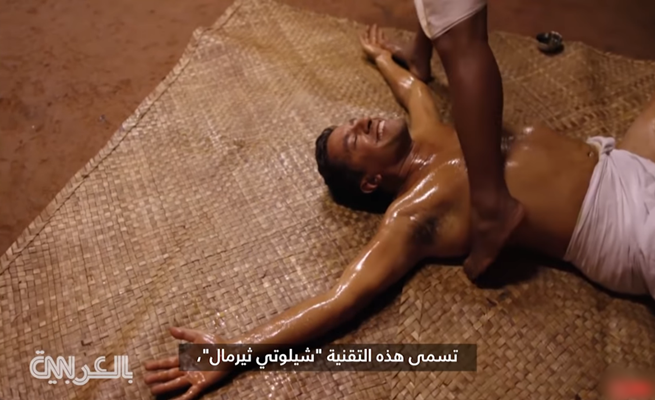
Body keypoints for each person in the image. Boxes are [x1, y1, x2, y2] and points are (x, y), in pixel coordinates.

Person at [142, 26, 655, 400]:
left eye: (353, 122)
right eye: (355, 139)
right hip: (624, 226)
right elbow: (341, 297)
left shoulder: (428, 131)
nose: (362, 122)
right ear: (370, 181)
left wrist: (383, 58)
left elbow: (415, 89)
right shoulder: (413, 214)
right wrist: (234, 350)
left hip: (621, 161)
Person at [383, 0, 526, 281]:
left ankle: (491, 206)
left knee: (462, 39)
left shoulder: (424, 131)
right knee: (451, 20)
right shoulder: (404, 213)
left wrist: (382, 60)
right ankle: (420, 53)